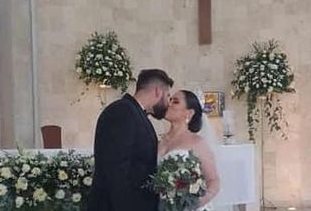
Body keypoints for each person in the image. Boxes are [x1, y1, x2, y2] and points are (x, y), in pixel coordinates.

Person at [88, 69, 174, 211]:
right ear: (158, 92)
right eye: (168, 96)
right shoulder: (122, 112)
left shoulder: (134, 112)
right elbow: (116, 170)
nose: (168, 103)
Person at [158, 90, 221, 210]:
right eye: (170, 100)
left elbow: (213, 180)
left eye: (175, 102)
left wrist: (197, 201)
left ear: (189, 113)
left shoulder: (197, 143)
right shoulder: (160, 142)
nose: (169, 104)